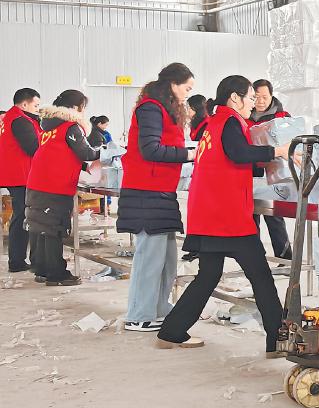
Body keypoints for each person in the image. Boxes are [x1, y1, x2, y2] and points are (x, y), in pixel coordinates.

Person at [157, 75, 289, 351]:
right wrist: (279, 151)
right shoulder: (229, 121)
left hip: (209, 214)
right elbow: (239, 153)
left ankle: (172, 331)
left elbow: (233, 158)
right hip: (227, 217)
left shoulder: (214, 123)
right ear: (234, 98)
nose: (253, 103)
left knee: (208, 276)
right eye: (250, 98)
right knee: (261, 276)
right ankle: (278, 338)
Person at [117, 64, 196, 332]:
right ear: (173, 84)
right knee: (149, 258)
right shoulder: (150, 108)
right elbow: (150, 149)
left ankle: (159, 309)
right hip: (145, 191)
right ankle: (139, 315)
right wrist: (189, 154)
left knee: (166, 259)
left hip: (161, 190)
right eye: (186, 88)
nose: (187, 94)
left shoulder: (165, 110)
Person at [25, 90, 100, 286]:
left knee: (41, 228)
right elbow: (86, 153)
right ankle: (56, 274)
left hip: (37, 183)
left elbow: (60, 154)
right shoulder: (71, 127)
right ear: (76, 107)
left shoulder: (50, 127)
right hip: (55, 186)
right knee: (54, 229)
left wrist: (80, 166)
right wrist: (107, 153)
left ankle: (42, 270)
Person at [248, 79, 293, 260]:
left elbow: (290, 143)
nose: (260, 101)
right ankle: (255, 257)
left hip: (274, 170)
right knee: (251, 214)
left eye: (264, 97)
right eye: (256, 97)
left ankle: (284, 257)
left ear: (272, 96)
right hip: (250, 169)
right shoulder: (245, 115)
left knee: (274, 214)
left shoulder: (282, 116)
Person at [0, 88, 42, 273]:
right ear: (25, 104)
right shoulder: (20, 120)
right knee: (22, 217)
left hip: (16, 174)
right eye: (36, 105)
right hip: (21, 175)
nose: (38, 109)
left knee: (21, 216)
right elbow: (33, 147)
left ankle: (17, 260)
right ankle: (17, 261)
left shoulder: (11, 117)